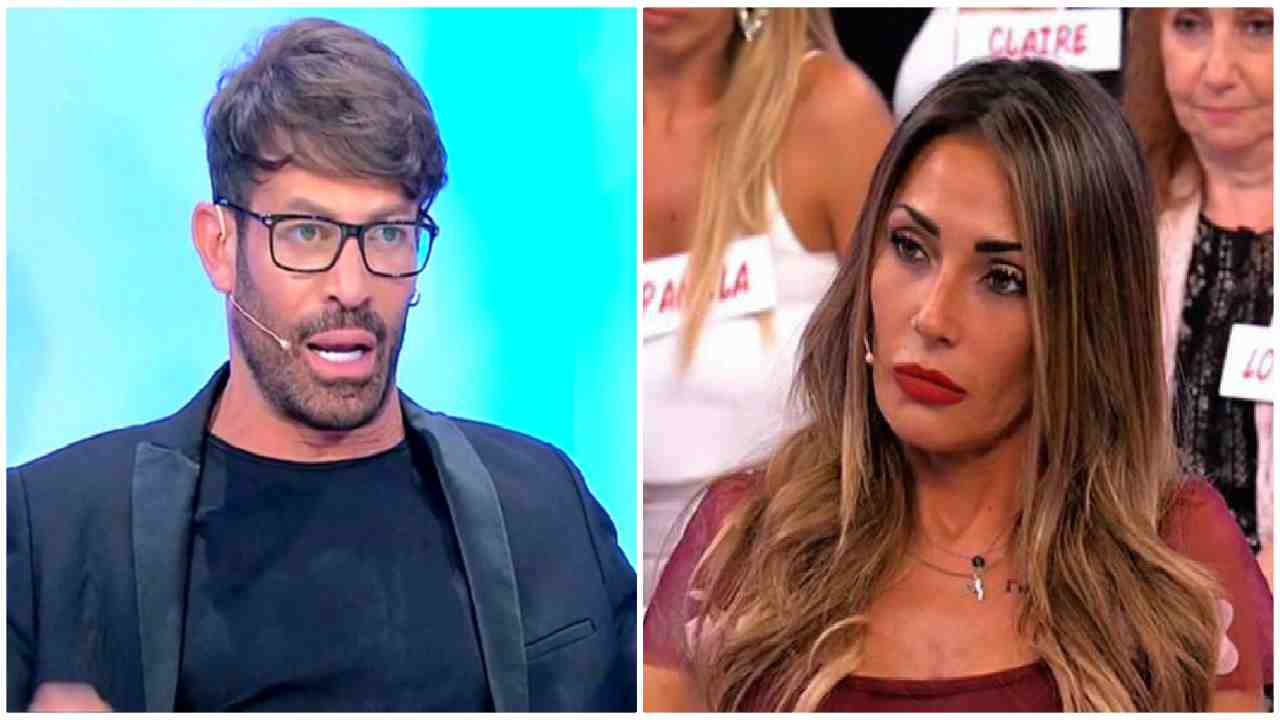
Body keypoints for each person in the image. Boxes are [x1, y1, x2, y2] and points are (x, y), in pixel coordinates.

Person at [7, 18, 635, 712]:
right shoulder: (49, 533)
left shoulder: (545, 506)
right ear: (219, 247)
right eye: (306, 233)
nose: (352, 285)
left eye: (387, 233)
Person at [644, 59, 1272, 712]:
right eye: (910, 248)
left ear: (1086, 323)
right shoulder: (746, 542)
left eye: (1003, 280)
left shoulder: (1178, 557)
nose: (932, 317)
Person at [642, 8, 893, 599]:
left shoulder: (829, 112)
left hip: (802, 581)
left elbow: (908, 352)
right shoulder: (576, 127)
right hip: (615, 588)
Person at [1123, 8, 1274, 589]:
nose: (1217, 72)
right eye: (1189, 25)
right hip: (1153, 599)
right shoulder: (1127, 218)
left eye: (1258, 27)